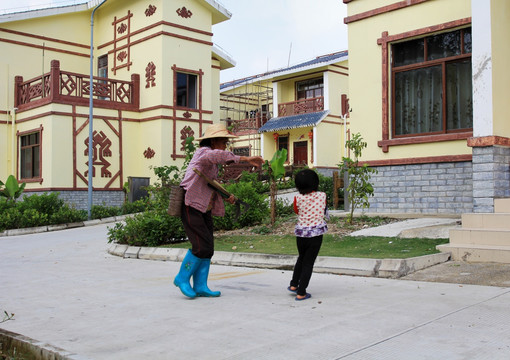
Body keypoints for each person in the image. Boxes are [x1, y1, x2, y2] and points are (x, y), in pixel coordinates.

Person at [174, 123, 264, 298]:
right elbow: (218, 155)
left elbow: (209, 183)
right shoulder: (203, 154)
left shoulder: (211, 163)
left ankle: (200, 285)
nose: (226, 145)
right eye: (224, 141)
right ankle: (182, 278)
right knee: (200, 246)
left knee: (208, 248)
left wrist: (225, 195)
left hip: (203, 207)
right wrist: (245, 159)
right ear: (213, 141)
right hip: (190, 204)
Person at [288, 169, 328, 301]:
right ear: (315, 183)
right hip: (315, 235)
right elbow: (324, 209)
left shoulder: (297, 198)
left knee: (301, 258)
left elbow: (296, 211)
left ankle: (294, 285)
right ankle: (301, 292)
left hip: (301, 234)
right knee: (308, 263)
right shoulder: (322, 196)